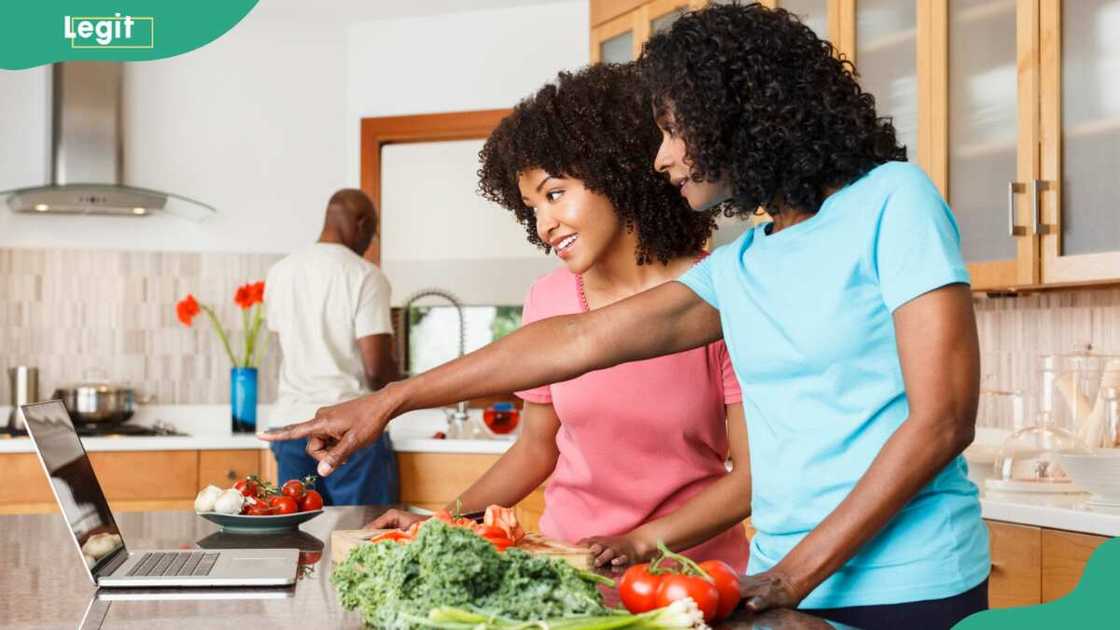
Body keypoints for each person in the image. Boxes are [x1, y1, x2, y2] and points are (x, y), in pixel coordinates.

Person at [262, 4, 989, 628]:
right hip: (778, 576)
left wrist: (788, 576)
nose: (665, 158)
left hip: (904, 581)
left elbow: (943, 420)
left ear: (737, 115)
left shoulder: (895, 200)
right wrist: (392, 398)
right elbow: (579, 341)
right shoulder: (750, 263)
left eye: (676, 131)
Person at [371, 63, 750, 572]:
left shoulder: (716, 293)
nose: (543, 224)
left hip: (689, 576)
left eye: (555, 194)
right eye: (531, 207)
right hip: (570, 568)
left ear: (616, 173)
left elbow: (751, 476)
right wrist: (440, 521)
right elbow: (534, 450)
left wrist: (639, 541)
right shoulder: (548, 298)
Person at [263, 188, 399, 505]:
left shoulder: (281, 272)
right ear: (362, 223)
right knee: (362, 537)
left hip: (291, 425)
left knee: (300, 538)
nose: (370, 243)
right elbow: (377, 370)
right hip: (349, 428)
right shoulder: (365, 276)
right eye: (373, 234)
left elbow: (287, 340)